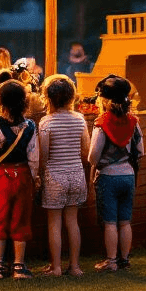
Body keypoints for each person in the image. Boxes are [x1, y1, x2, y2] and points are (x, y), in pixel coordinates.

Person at [0, 79, 39, 279]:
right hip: (23, 177)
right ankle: (19, 267)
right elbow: (34, 158)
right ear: (24, 102)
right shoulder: (30, 127)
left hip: (1, 179)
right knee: (21, 218)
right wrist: (35, 177)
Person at [88, 75, 143, 271]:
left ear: (104, 100)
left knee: (110, 221)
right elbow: (140, 151)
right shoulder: (133, 121)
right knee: (125, 221)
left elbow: (93, 156)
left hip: (107, 177)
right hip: (128, 175)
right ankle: (124, 260)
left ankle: (111, 261)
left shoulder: (101, 123)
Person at [37, 74, 90, 276]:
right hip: (76, 175)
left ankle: (56, 267)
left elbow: (44, 155)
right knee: (72, 222)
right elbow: (86, 150)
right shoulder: (79, 119)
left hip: (55, 177)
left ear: (48, 97)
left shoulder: (46, 122)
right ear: (71, 97)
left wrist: (40, 176)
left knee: (54, 223)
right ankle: (75, 267)